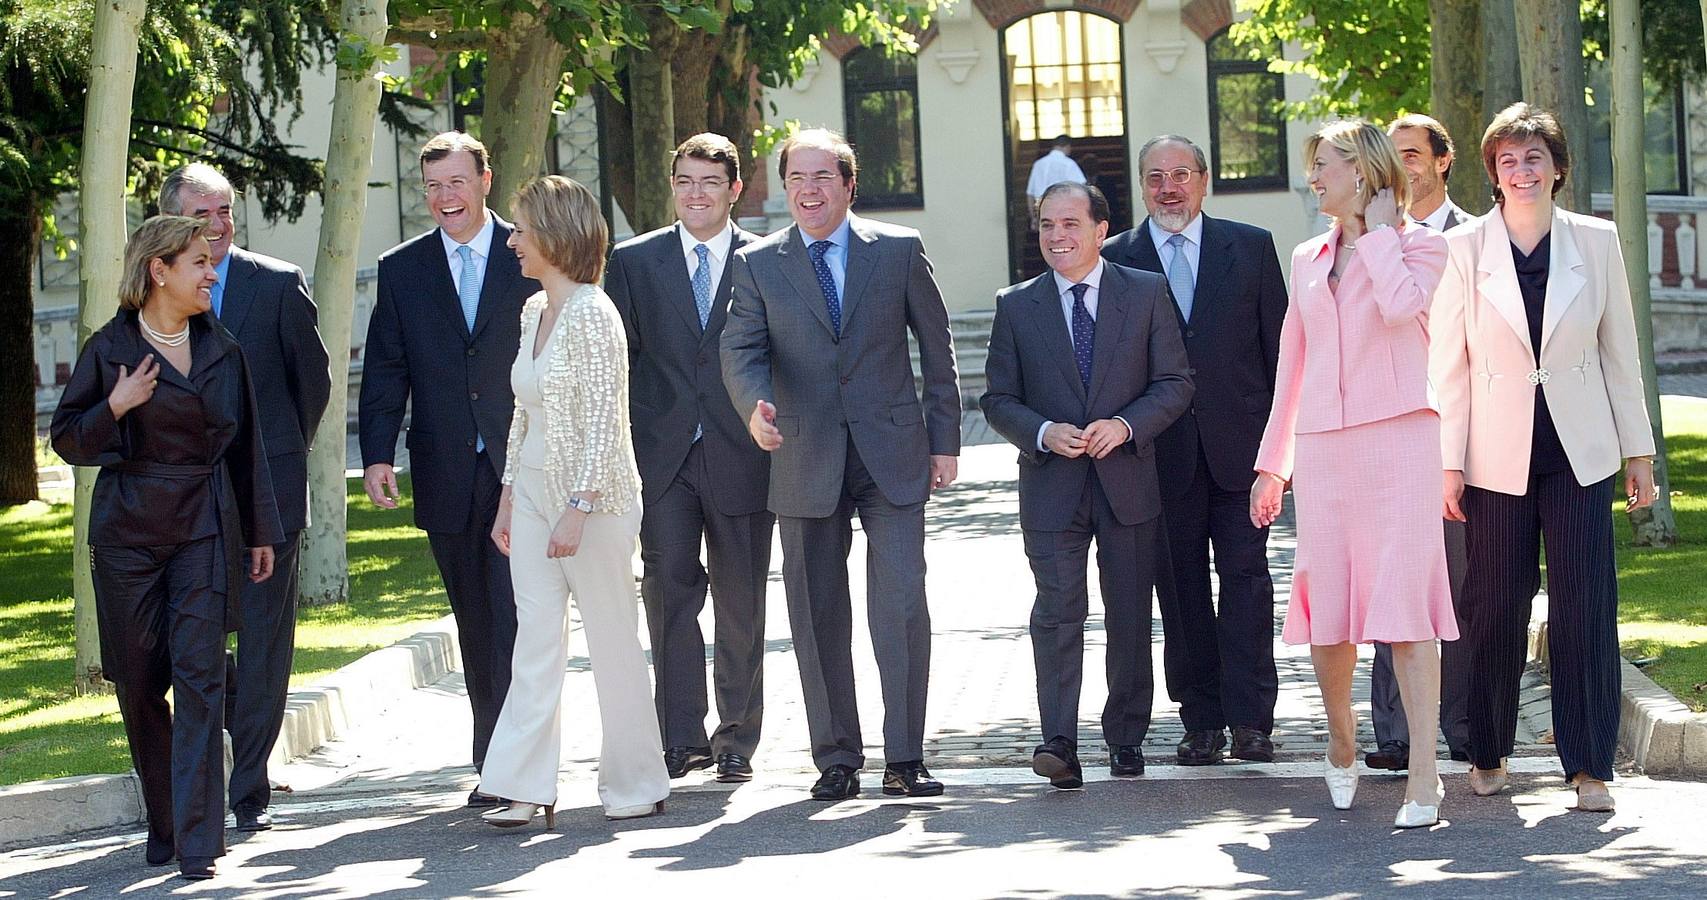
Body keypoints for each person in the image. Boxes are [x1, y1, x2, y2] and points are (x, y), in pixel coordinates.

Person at [722, 128, 961, 801]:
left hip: (892, 454)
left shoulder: (898, 251)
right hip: (801, 454)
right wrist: (752, 408)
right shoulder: (758, 263)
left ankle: (906, 757)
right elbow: (739, 350)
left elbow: (936, 351)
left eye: (821, 176)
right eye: (796, 178)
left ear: (848, 185)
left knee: (901, 605)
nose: (808, 190)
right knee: (815, 611)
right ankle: (836, 757)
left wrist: (945, 442)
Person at [1430, 103, 1657, 813]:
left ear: (1556, 168)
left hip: (1578, 451)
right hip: (1493, 453)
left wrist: (1639, 452)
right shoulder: (1463, 248)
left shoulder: (1594, 240)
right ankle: (1488, 746)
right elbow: (1449, 367)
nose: (1521, 171)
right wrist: (1447, 462)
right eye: (1507, 160)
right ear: (1492, 173)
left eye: (1533, 158)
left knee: (1584, 605)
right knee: (1494, 604)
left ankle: (1588, 765)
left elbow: (1621, 352)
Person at [52, 216, 282, 880]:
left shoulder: (223, 350)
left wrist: (260, 530)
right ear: (160, 270)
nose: (213, 273)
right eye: (200, 263)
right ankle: (164, 817)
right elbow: (69, 440)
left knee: (202, 679)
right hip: (126, 537)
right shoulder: (109, 348)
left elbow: (248, 448)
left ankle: (199, 838)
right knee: (140, 683)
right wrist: (116, 406)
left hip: (204, 529)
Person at [1249, 121, 1458, 829]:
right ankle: (1341, 739)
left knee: (1405, 613)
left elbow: (1404, 309)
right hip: (1325, 452)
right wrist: (1270, 464)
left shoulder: (1423, 246)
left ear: (1363, 173)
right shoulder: (1306, 255)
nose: (1314, 178)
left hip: (1400, 442)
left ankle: (1424, 776)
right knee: (1330, 614)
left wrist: (1374, 234)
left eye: (1325, 164)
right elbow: (1290, 369)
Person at [981, 182, 1193, 789]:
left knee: (1129, 612)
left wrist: (1126, 425)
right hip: (1052, 485)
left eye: (1070, 224)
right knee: (1055, 613)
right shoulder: (1016, 305)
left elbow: (1176, 382)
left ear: (1102, 230)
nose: (1057, 236)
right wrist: (1043, 432)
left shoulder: (1146, 293)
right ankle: (1058, 742)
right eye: (1047, 225)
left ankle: (1127, 738)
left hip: (1127, 479)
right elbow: (997, 398)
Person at [480, 175, 669, 826]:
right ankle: (523, 783)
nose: (511, 242)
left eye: (520, 230)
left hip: (598, 502)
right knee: (533, 639)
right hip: (531, 497)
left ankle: (636, 782)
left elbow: (604, 423)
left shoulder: (594, 314)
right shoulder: (534, 312)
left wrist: (579, 505)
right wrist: (508, 497)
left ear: (555, 237)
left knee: (613, 640)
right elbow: (521, 414)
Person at [359, 132, 539, 805]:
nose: (444, 198)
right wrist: (377, 451)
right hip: (444, 471)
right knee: (475, 618)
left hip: (519, 466)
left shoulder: (528, 251)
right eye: (433, 186)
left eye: (456, 182)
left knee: (516, 614)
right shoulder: (402, 269)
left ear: (485, 180)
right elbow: (385, 365)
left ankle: (516, 761)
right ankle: (495, 755)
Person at [1101, 135, 1287, 767]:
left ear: (1205, 181)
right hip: (1157, 457)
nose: (1169, 187)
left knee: (1247, 582)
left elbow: (1282, 358)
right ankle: (1201, 718)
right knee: (1179, 591)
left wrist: (1282, 455)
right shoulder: (1115, 259)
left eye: (1181, 174)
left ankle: (1253, 717)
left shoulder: (1253, 248)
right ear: (1142, 186)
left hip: (1243, 452)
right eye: (1155, 177)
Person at [158, 163, 333, 831]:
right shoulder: (155, 291)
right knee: (195, 640)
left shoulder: (278, 285)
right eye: (204, 214)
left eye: (226, 210)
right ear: (175, 221)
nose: (220, 225)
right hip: (185, 506)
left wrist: (279, 457)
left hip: (270, 498)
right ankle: (210, 766)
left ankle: (248, 787)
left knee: (264, 641)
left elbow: (310, 387)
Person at [607, 133, 773, 784]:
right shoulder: (634, 261)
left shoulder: (767, 261)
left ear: (734, 189)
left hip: (743, 454)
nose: (694, 194)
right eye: (684, 181)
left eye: (708, 182)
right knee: (669, 592)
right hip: (661, 456)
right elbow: (617, 361)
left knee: (741, 603)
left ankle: (735, 740)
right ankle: (681, 738)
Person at [1365, 114, 1473, 772]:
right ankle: (1394, 733)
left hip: (1460, 434)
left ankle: (1460, 724)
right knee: (1391, 582)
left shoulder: (1473, 239)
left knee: (1461, 586)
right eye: (1393, 155)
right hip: (1388, 435)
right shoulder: (1370, 241)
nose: (1402, 165)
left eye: (1413, 153)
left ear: (1441, 161)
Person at [1026, 135, 1087, 229]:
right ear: (1067, 146)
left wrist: (1034, 217)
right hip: (1065, 212)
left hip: (1042, 211)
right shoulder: (1069, 164)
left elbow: (1030, 193)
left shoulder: (1038, 164)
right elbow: (1083, 190)